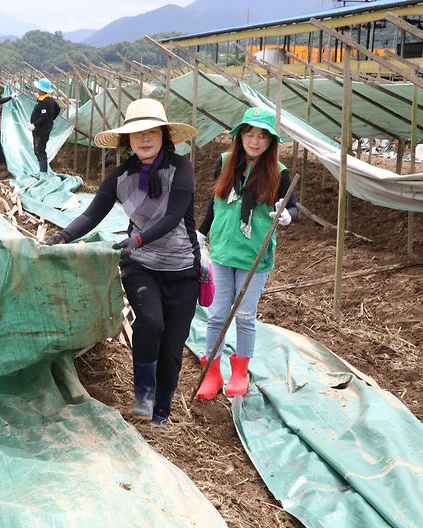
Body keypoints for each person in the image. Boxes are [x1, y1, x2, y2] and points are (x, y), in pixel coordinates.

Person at [43, 98, 199, 428]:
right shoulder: (120, 177)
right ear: (127, 139)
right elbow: (91, 216)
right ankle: (144, 396)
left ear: (164, 135)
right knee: (151, 322)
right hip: (140, 265)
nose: (145, 138)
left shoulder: (181, 169)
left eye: (152, 131)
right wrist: (61, 237)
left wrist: (138, 239)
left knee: (173, 346)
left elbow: (173, 217)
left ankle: (161, 411)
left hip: (182, 268)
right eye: (137, 133)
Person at [195, 107, 297, 400]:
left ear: (270, 141)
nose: (254, 141)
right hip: (222, 251)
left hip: (254, 256)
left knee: (244, 315)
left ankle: (240, 373)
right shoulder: (225, 162)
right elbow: (216, 201)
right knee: (216, 315)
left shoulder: (279, 173)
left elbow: (293, 207)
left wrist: (287, 215)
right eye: (249, 134)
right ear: (240, 136)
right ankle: (212, 372)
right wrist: (201, 233)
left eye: (262, 136)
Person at [28, 78, 60, 174]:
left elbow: (44, 117)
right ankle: (41, 171)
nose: (37, 90)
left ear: (43, 90)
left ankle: (43, 172)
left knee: (40, 150)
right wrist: (52, 118)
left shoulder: (46, 102)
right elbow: (58, 109)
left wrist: (35, 125)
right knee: (37, 149)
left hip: (42, 130)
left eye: (39, 88)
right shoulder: (45, 100)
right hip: (39, 129)